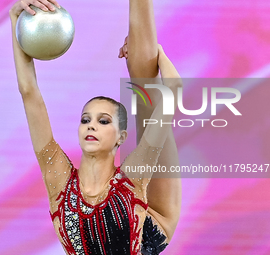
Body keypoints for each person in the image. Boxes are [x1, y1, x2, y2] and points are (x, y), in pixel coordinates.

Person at [9, 0, 182, 254]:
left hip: (148, 216)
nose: (91, 126)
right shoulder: (61, 182)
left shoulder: (131, 177)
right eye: (86, 119)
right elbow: (29, 94)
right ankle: (143, 57)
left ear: (120, 137)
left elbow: (173, 90)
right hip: (150, 237)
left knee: (145, 87)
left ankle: (143, 54)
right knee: (146, 85)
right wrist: (18, 22)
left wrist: (159, 54)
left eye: (103, 121)